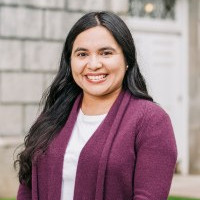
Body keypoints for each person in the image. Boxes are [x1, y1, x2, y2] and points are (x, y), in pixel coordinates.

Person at [15, 11, 177, 200]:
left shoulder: (151, 121)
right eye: (82, 54)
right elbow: (27, 188)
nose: (93, 64)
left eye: (106, 53)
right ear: (70, 62)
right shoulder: (54, 115)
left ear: (126, 60)